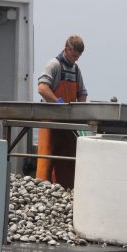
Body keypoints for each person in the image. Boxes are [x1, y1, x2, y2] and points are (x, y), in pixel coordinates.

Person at [36, 35, 87, 189]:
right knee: (45, 166)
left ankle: (65, 192)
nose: (75, 60)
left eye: (78, 57)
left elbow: (82, 93)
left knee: (67, 165)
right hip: (50, 124)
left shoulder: (76, 69)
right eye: (73, 56)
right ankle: (41, 192)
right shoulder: (54, 65)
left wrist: (78, 110)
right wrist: (57, 103)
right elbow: (42, 88)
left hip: (68, 125)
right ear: (66, 49)